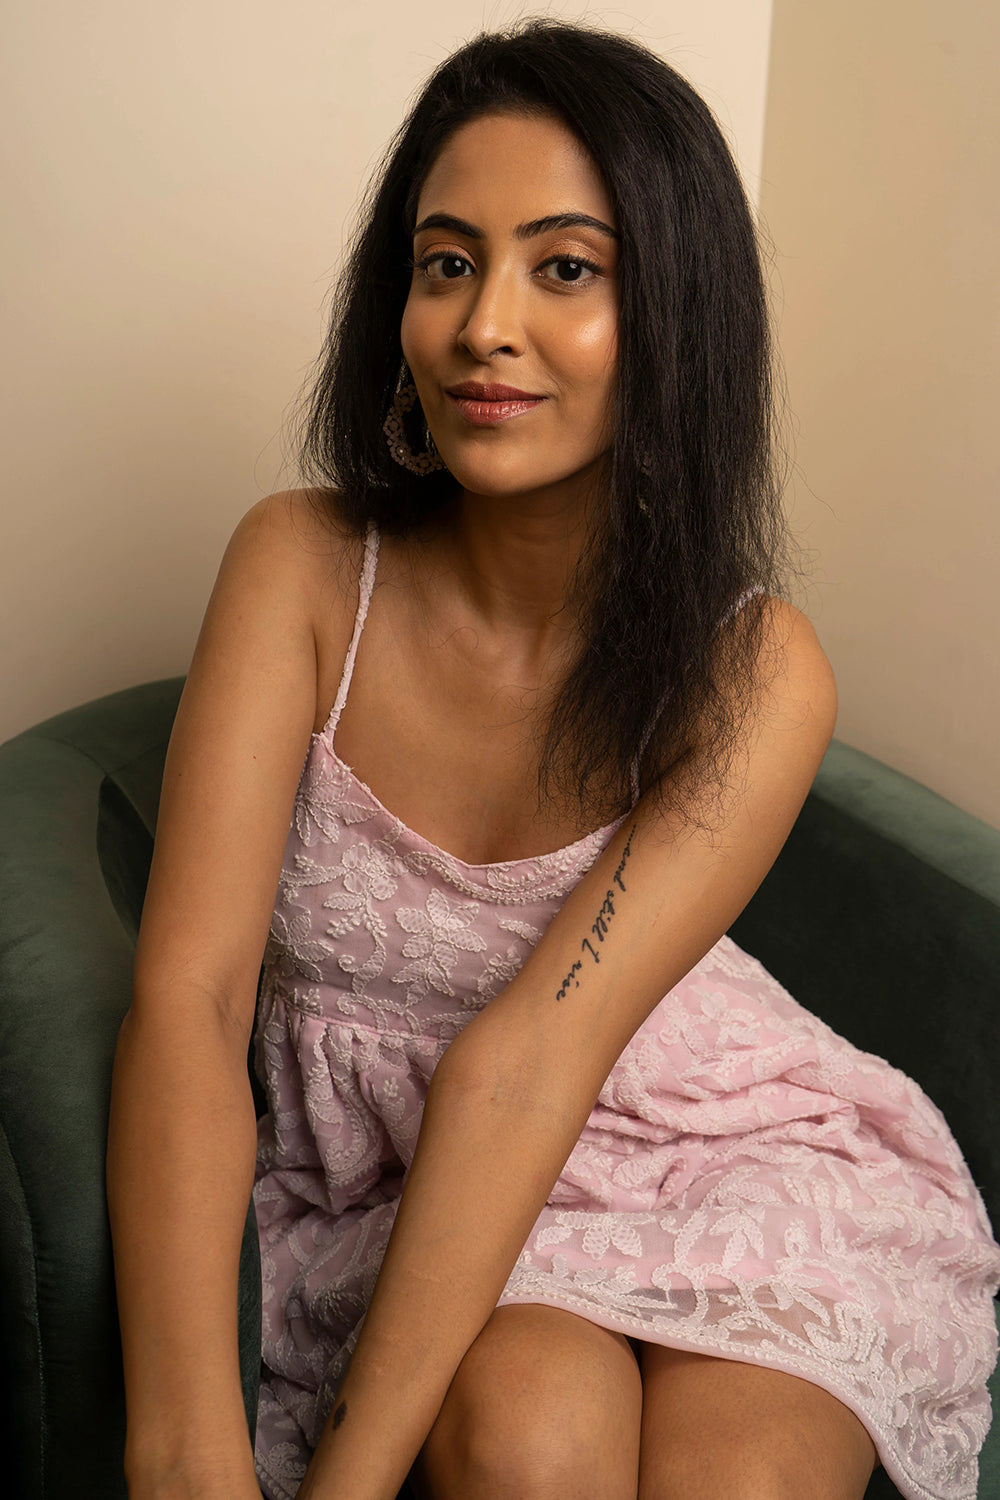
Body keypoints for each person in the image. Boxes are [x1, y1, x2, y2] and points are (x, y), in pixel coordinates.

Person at [106, 19, 1000, 1500]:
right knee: (533, 1438)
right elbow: (190, 1001)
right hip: (413, 1190)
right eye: (448, 263)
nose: (485, 327)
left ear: (676, 314)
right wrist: (180, 1450)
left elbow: (533, 1061)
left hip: (710, 1140)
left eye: (566, 269)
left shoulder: (755, 670)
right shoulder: (303, 569)